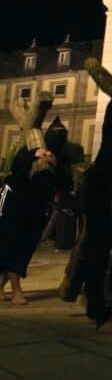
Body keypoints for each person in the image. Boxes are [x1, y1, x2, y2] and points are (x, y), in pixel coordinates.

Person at [0, 119, 71, 304]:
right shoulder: (29, 151)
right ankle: (16, 291)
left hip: (37, 210)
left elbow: (65, 185)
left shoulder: (61, 159)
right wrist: (34, 154)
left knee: (24, 250)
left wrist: (56, 165)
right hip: (15, 207)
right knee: (13, 248)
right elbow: (17, 170)